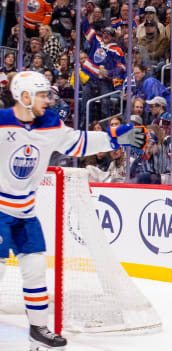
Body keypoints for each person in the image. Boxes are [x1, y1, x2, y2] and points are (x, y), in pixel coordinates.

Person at [0, 71, 145, 350]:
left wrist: (116, 138)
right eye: (42, 94)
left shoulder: (50, 125)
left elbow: (79, 142)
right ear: (25, 96)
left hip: (25, 212)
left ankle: (38, 329)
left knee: (34, 268)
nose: (47, 100)